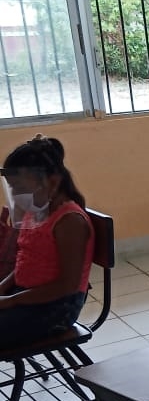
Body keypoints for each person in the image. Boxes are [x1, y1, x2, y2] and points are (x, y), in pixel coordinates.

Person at [0, 135, 94, 346]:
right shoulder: (37, 211)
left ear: (52, 181)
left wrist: (10, 301)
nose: (15, 194)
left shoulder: (69, 221)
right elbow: (28, 259)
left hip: (55, 307)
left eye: (20, 187)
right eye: (12, 187)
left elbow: (67, 286)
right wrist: (3, 287)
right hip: (26, 295)